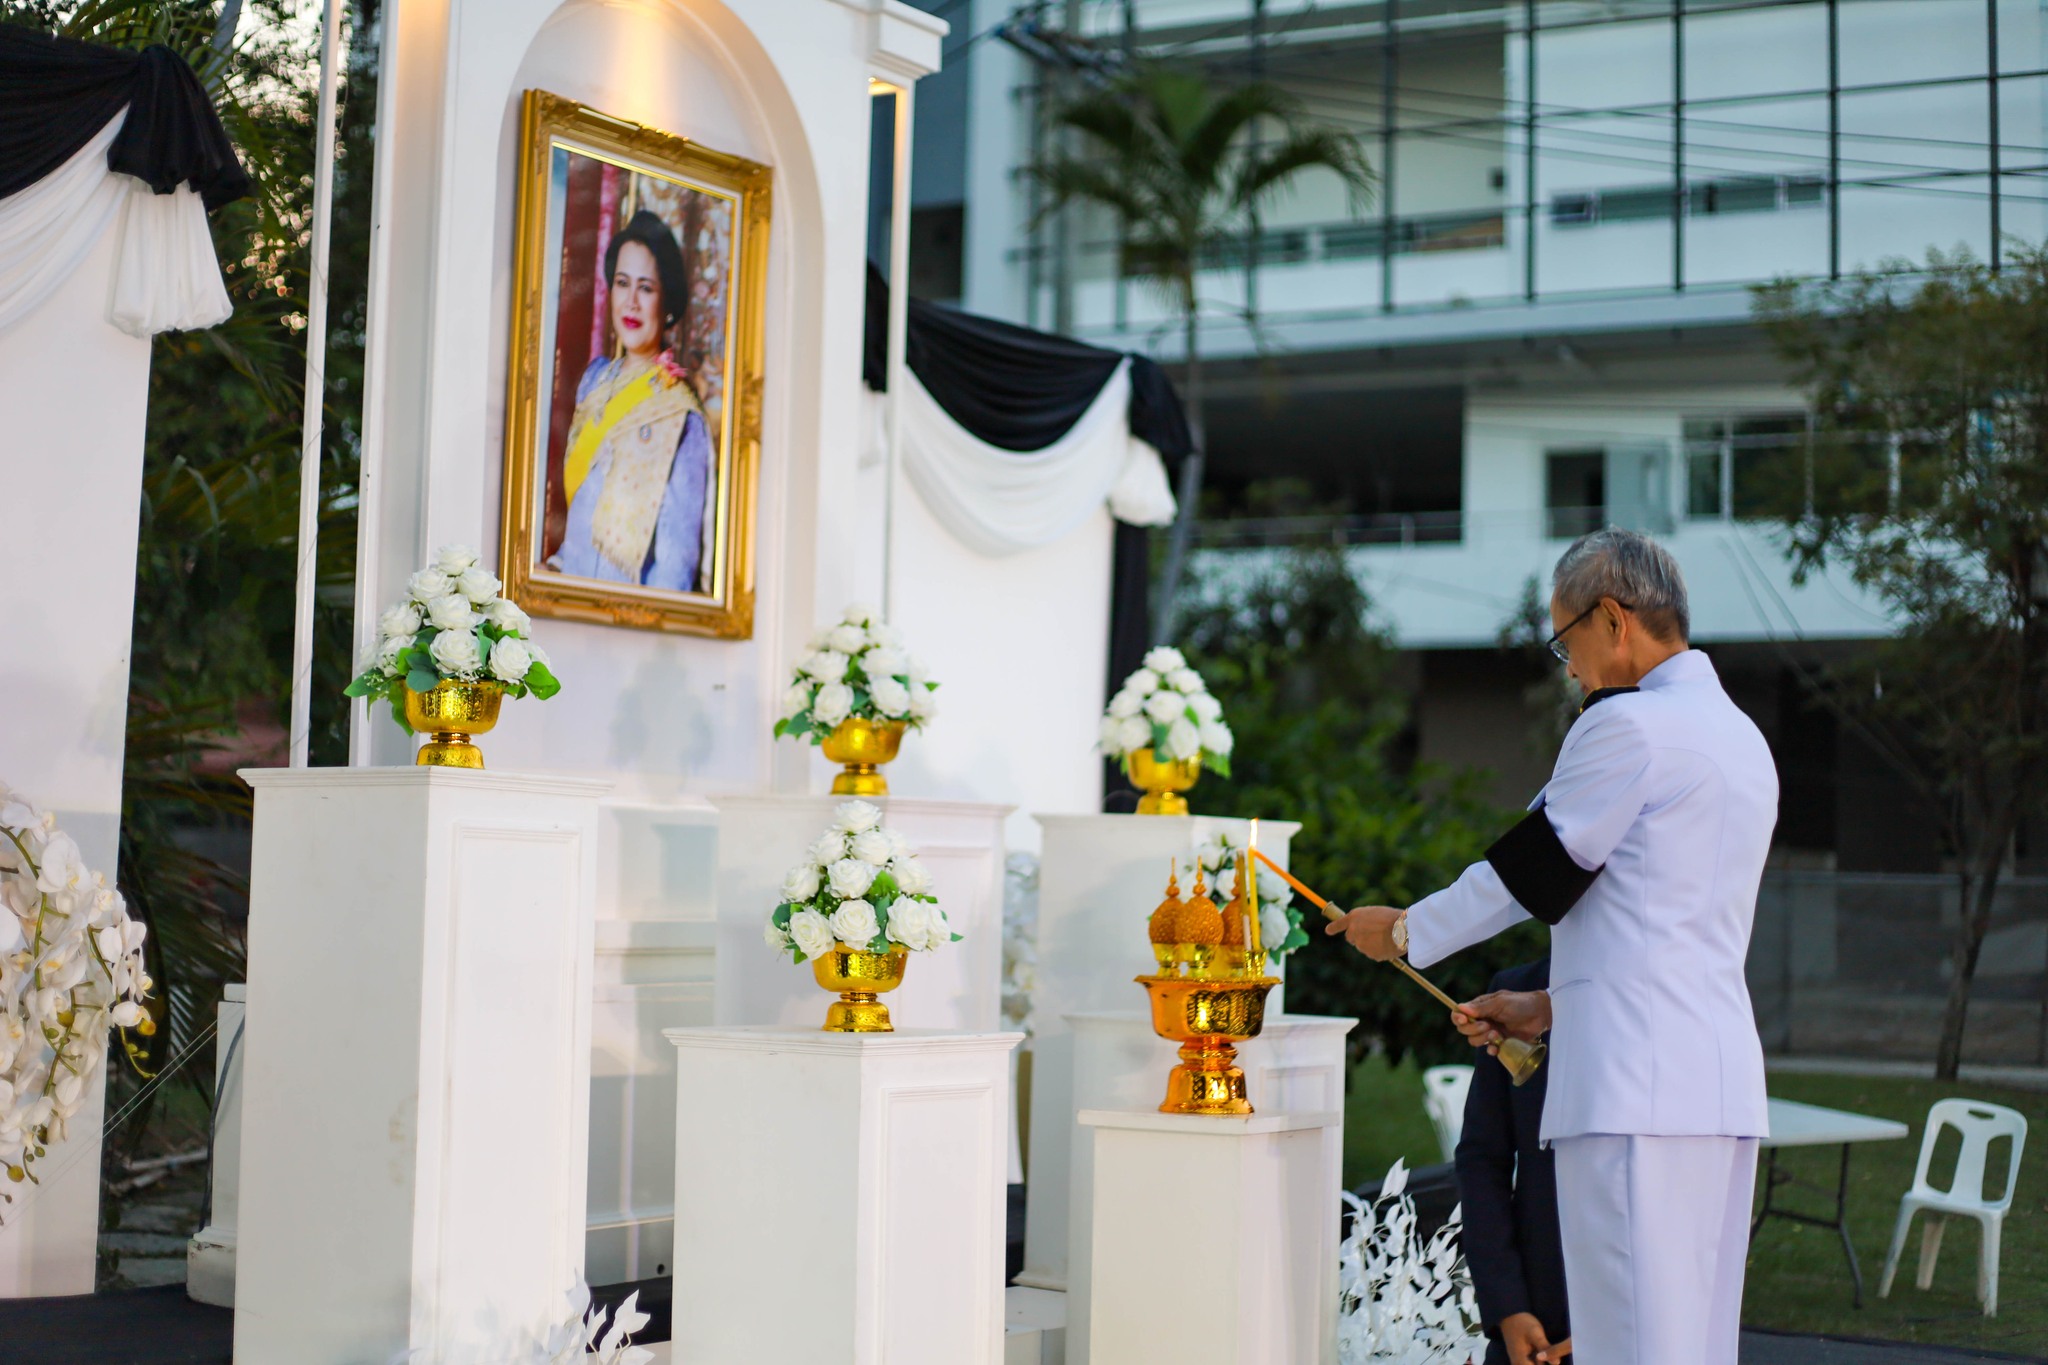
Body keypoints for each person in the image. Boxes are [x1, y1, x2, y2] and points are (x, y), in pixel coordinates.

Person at [1325, 528, 1776, 1365]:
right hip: (1715, 1088)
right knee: (1695, 1346)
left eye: (1565, 641)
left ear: (1613, 619)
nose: (1567, 667)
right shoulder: (1743, 738)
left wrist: (1401, 932)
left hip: (1633, 1094)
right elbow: (1661, 924)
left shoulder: (1630, 726)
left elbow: (1531, 870)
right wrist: (1551, 1006)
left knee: (1631, 1346)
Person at [548, 208, 714, 593]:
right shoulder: (594, 381)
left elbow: (675, 566)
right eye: (623, 283)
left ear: (667, 301)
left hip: (623, 617)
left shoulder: (681, 416)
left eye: (647, 287)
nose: (632, 302)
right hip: (565, 593)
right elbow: (582, 512)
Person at [1456, 957, 1569, 1365]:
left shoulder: (1672, 994)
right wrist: (1507, 1306)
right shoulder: (1516, 988)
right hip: (1538, 1308)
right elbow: (1482, 1158)